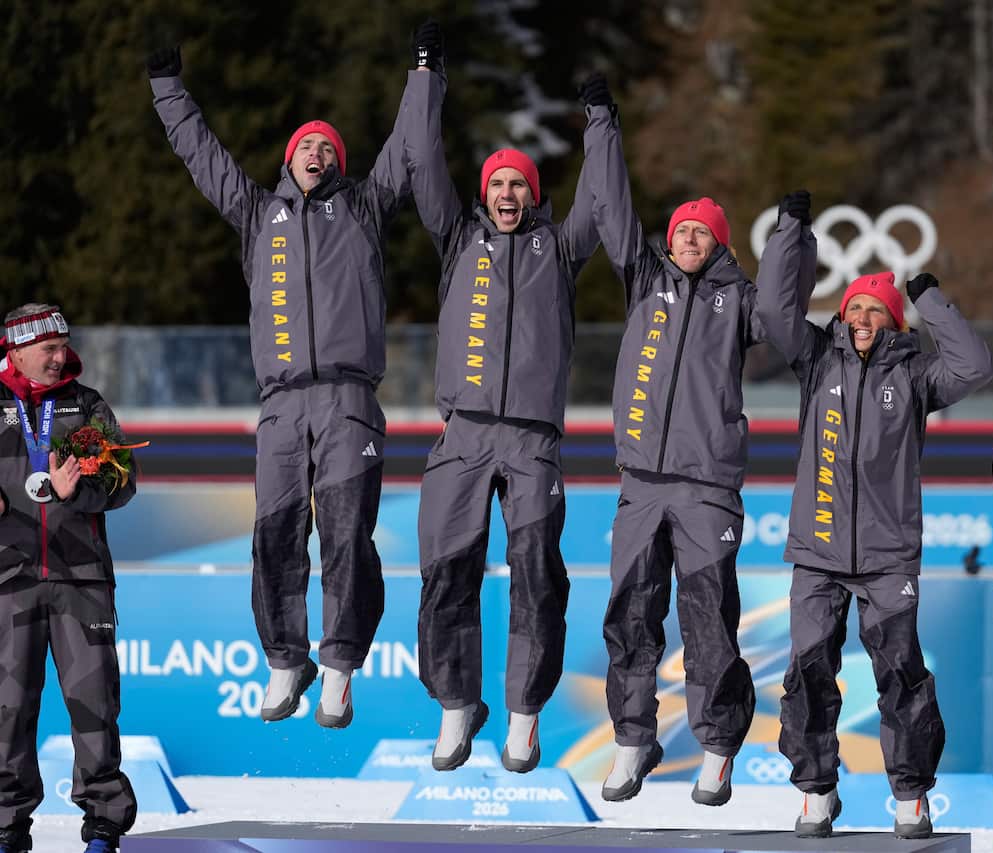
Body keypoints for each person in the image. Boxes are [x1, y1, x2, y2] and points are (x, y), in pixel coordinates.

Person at [148, 38, 423, 728]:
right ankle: (284, 656)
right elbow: (202, 155)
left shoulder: (363, 208)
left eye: (330, 149)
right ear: (287, 158)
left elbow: (408, 144)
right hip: (280, 403)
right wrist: (165, 86)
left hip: (349, 400)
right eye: (308, 146)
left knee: (345, 534)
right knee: (273, 532)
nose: (318, 155)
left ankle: (338, 666)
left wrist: (425, 73)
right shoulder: (255, 214)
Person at [756, 204, 993, 839]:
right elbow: (777, 314)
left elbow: (974, 366)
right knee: (807, 672)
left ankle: (910, 793)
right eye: (854, 308)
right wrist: (790, 237)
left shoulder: (915, 375)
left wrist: (931, 299)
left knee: (900, 674)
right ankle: (816, 789)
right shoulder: (816, 360)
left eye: (875, 310)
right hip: (818, 553)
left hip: (888, 557)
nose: (861, 319)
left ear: (893, 320)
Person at [402, 23, 602, 774]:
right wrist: (428, 73)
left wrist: (601, 125)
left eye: (520, 183)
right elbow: (423, 163)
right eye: (498, 184)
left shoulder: (562, 247)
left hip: (532, 440)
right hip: (462, 432)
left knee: (535, 572)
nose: (508, 192)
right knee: (445, 571)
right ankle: (458, 704)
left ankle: (524, 712)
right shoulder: (457, 239)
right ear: (484, 194)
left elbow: (602, 198)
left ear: (534, 193)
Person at [578, 74, 772, 806]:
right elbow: (610, 205)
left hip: (705, 486)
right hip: (640, 483)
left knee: (708, 618)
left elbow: (784, 316)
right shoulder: (643, 281)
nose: (688, 239)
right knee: (629, 614)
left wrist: (789, 242)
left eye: (703, 233)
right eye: (681, 230)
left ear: (718, 244)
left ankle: (719, 745)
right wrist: (603, 122)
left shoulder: (738, 301)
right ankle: (634, 739)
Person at [0, 306, 138, 853]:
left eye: (65, 346)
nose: (62, 357)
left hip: (82, 579)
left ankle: (104, 824)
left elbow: (123, 480)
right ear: (15, 350)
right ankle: (7, 827)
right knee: (6, 709)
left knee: (95, 705)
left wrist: (74, 492)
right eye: (49, 349)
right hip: (8, 578)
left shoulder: (85, 404)